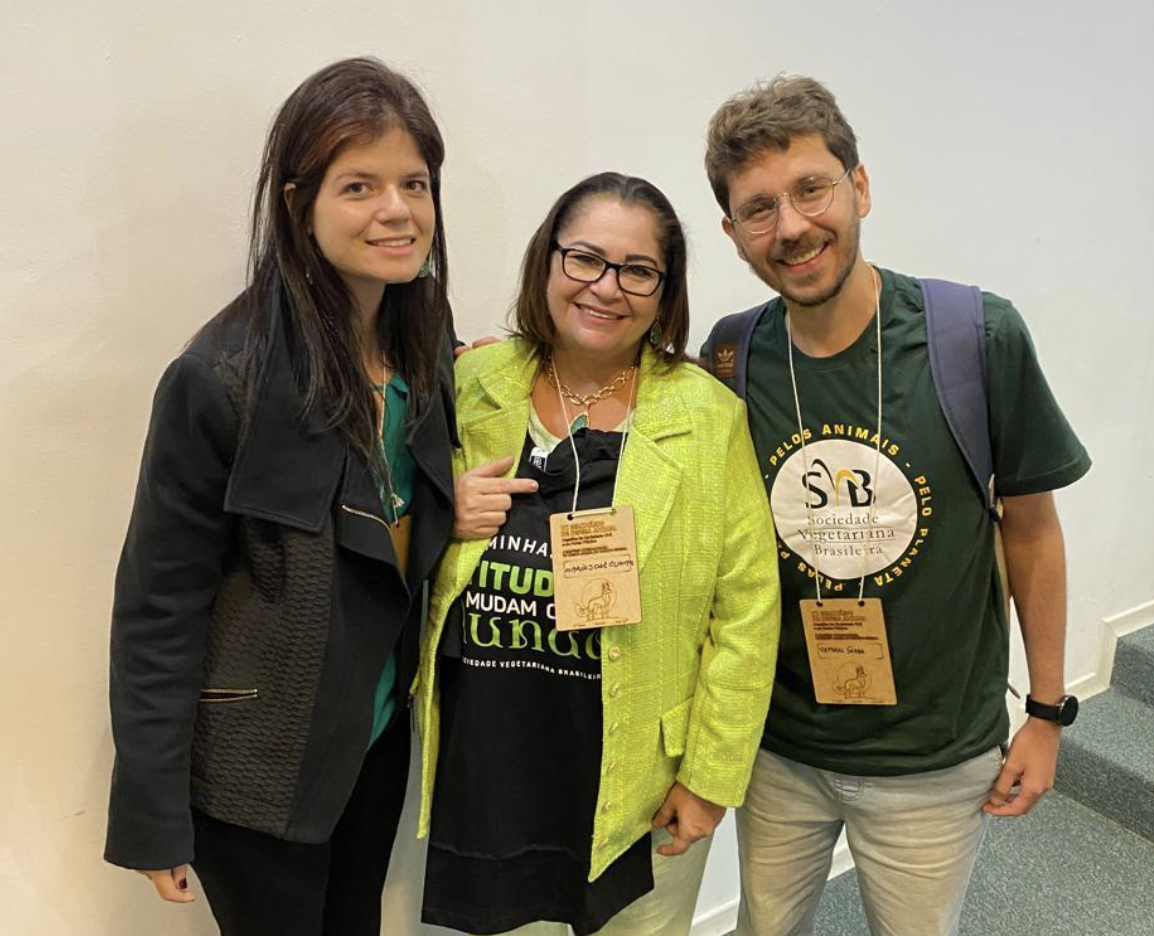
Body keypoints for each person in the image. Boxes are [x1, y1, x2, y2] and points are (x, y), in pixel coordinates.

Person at [700, 77, 1091, 936]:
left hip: (933, 757)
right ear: (732, 234)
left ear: (860, 187)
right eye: (759, 208)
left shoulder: (976, 336)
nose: (791, 227)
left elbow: (1032, 533)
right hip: (778, 746)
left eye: (811, 188)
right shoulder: (731, 355)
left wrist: (1046, 714)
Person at [104, 57, 457, 936]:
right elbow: (159, 603)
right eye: (359, 185)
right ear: (300, 203)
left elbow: (398, 511)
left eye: (414, 183)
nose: (397, 210)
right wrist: (151, 809)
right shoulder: (221, 378)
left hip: (375, 736)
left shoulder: (426, 337)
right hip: (257, 765)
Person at [415, 172, 781, 936]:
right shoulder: (472, 383)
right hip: (492, 772)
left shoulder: (708, 417)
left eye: (638, 270)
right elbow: (393, 522)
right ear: (547, 260)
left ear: (665, 291)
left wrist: (710, 779)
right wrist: (441, 513)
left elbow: (748, 611)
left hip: (642, 785)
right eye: (585, 258)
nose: (606, 287)